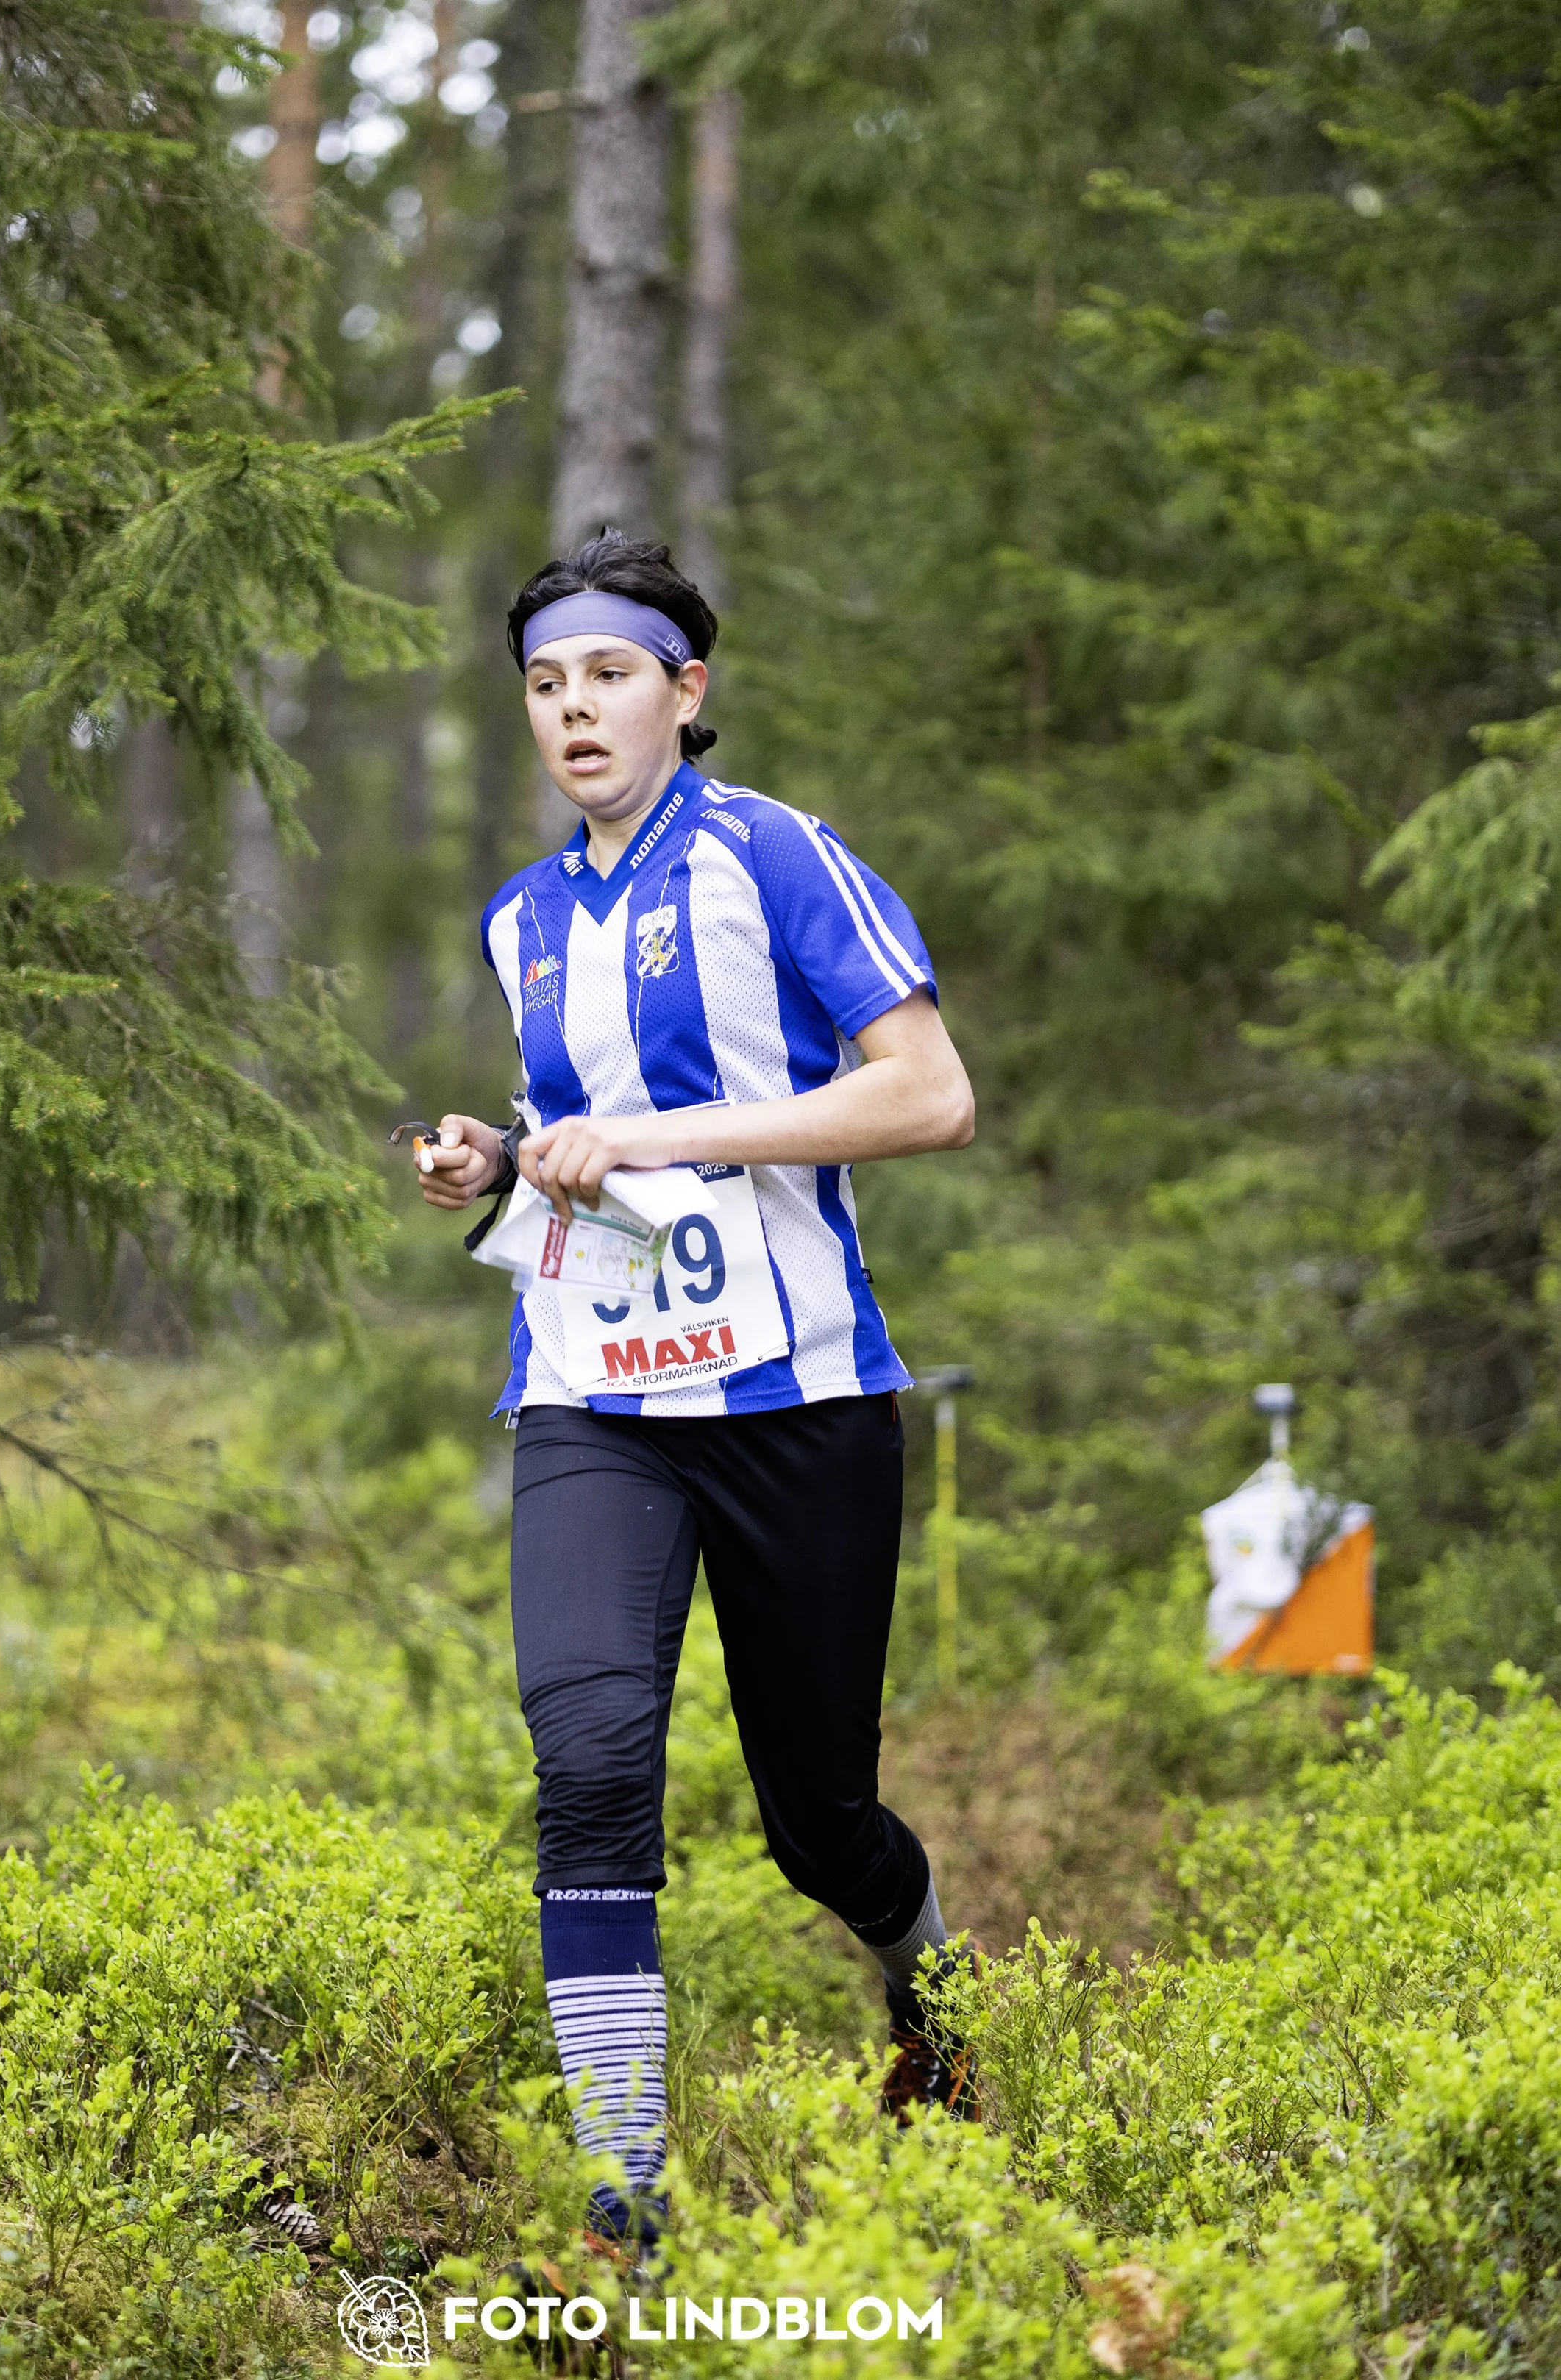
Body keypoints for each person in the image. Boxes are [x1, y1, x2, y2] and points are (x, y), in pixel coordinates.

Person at [410, 530, 978, 2251]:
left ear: (685, 691)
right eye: (542, 684)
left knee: (819, 1824)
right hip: (592, 1395)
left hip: (798, 1401)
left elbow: (927, 1096)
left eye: (605, 674)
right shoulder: (518, 916)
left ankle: (926, 1982)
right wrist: (497, 1163)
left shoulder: (774, 859)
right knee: (588, 1762)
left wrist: (654, 1132)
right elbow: (588, 1160)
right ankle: (624, 2189)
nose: (571, 710)